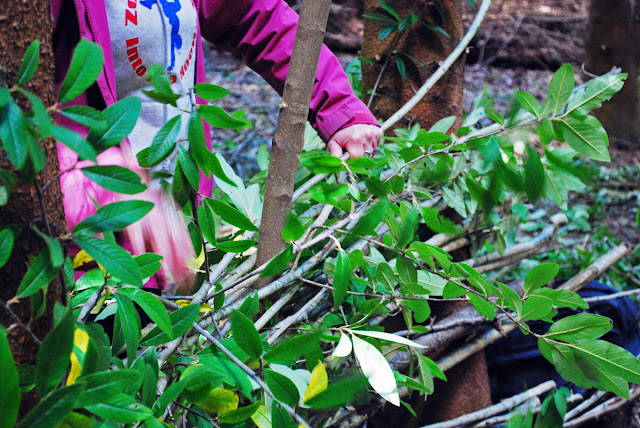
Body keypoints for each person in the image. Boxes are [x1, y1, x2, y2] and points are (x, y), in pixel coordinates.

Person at [52, 0, 382, 291]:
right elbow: (16, 118)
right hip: (87, 259)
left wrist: (338, 108)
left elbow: (254, 14)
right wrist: (99, 184)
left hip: (179, 233)